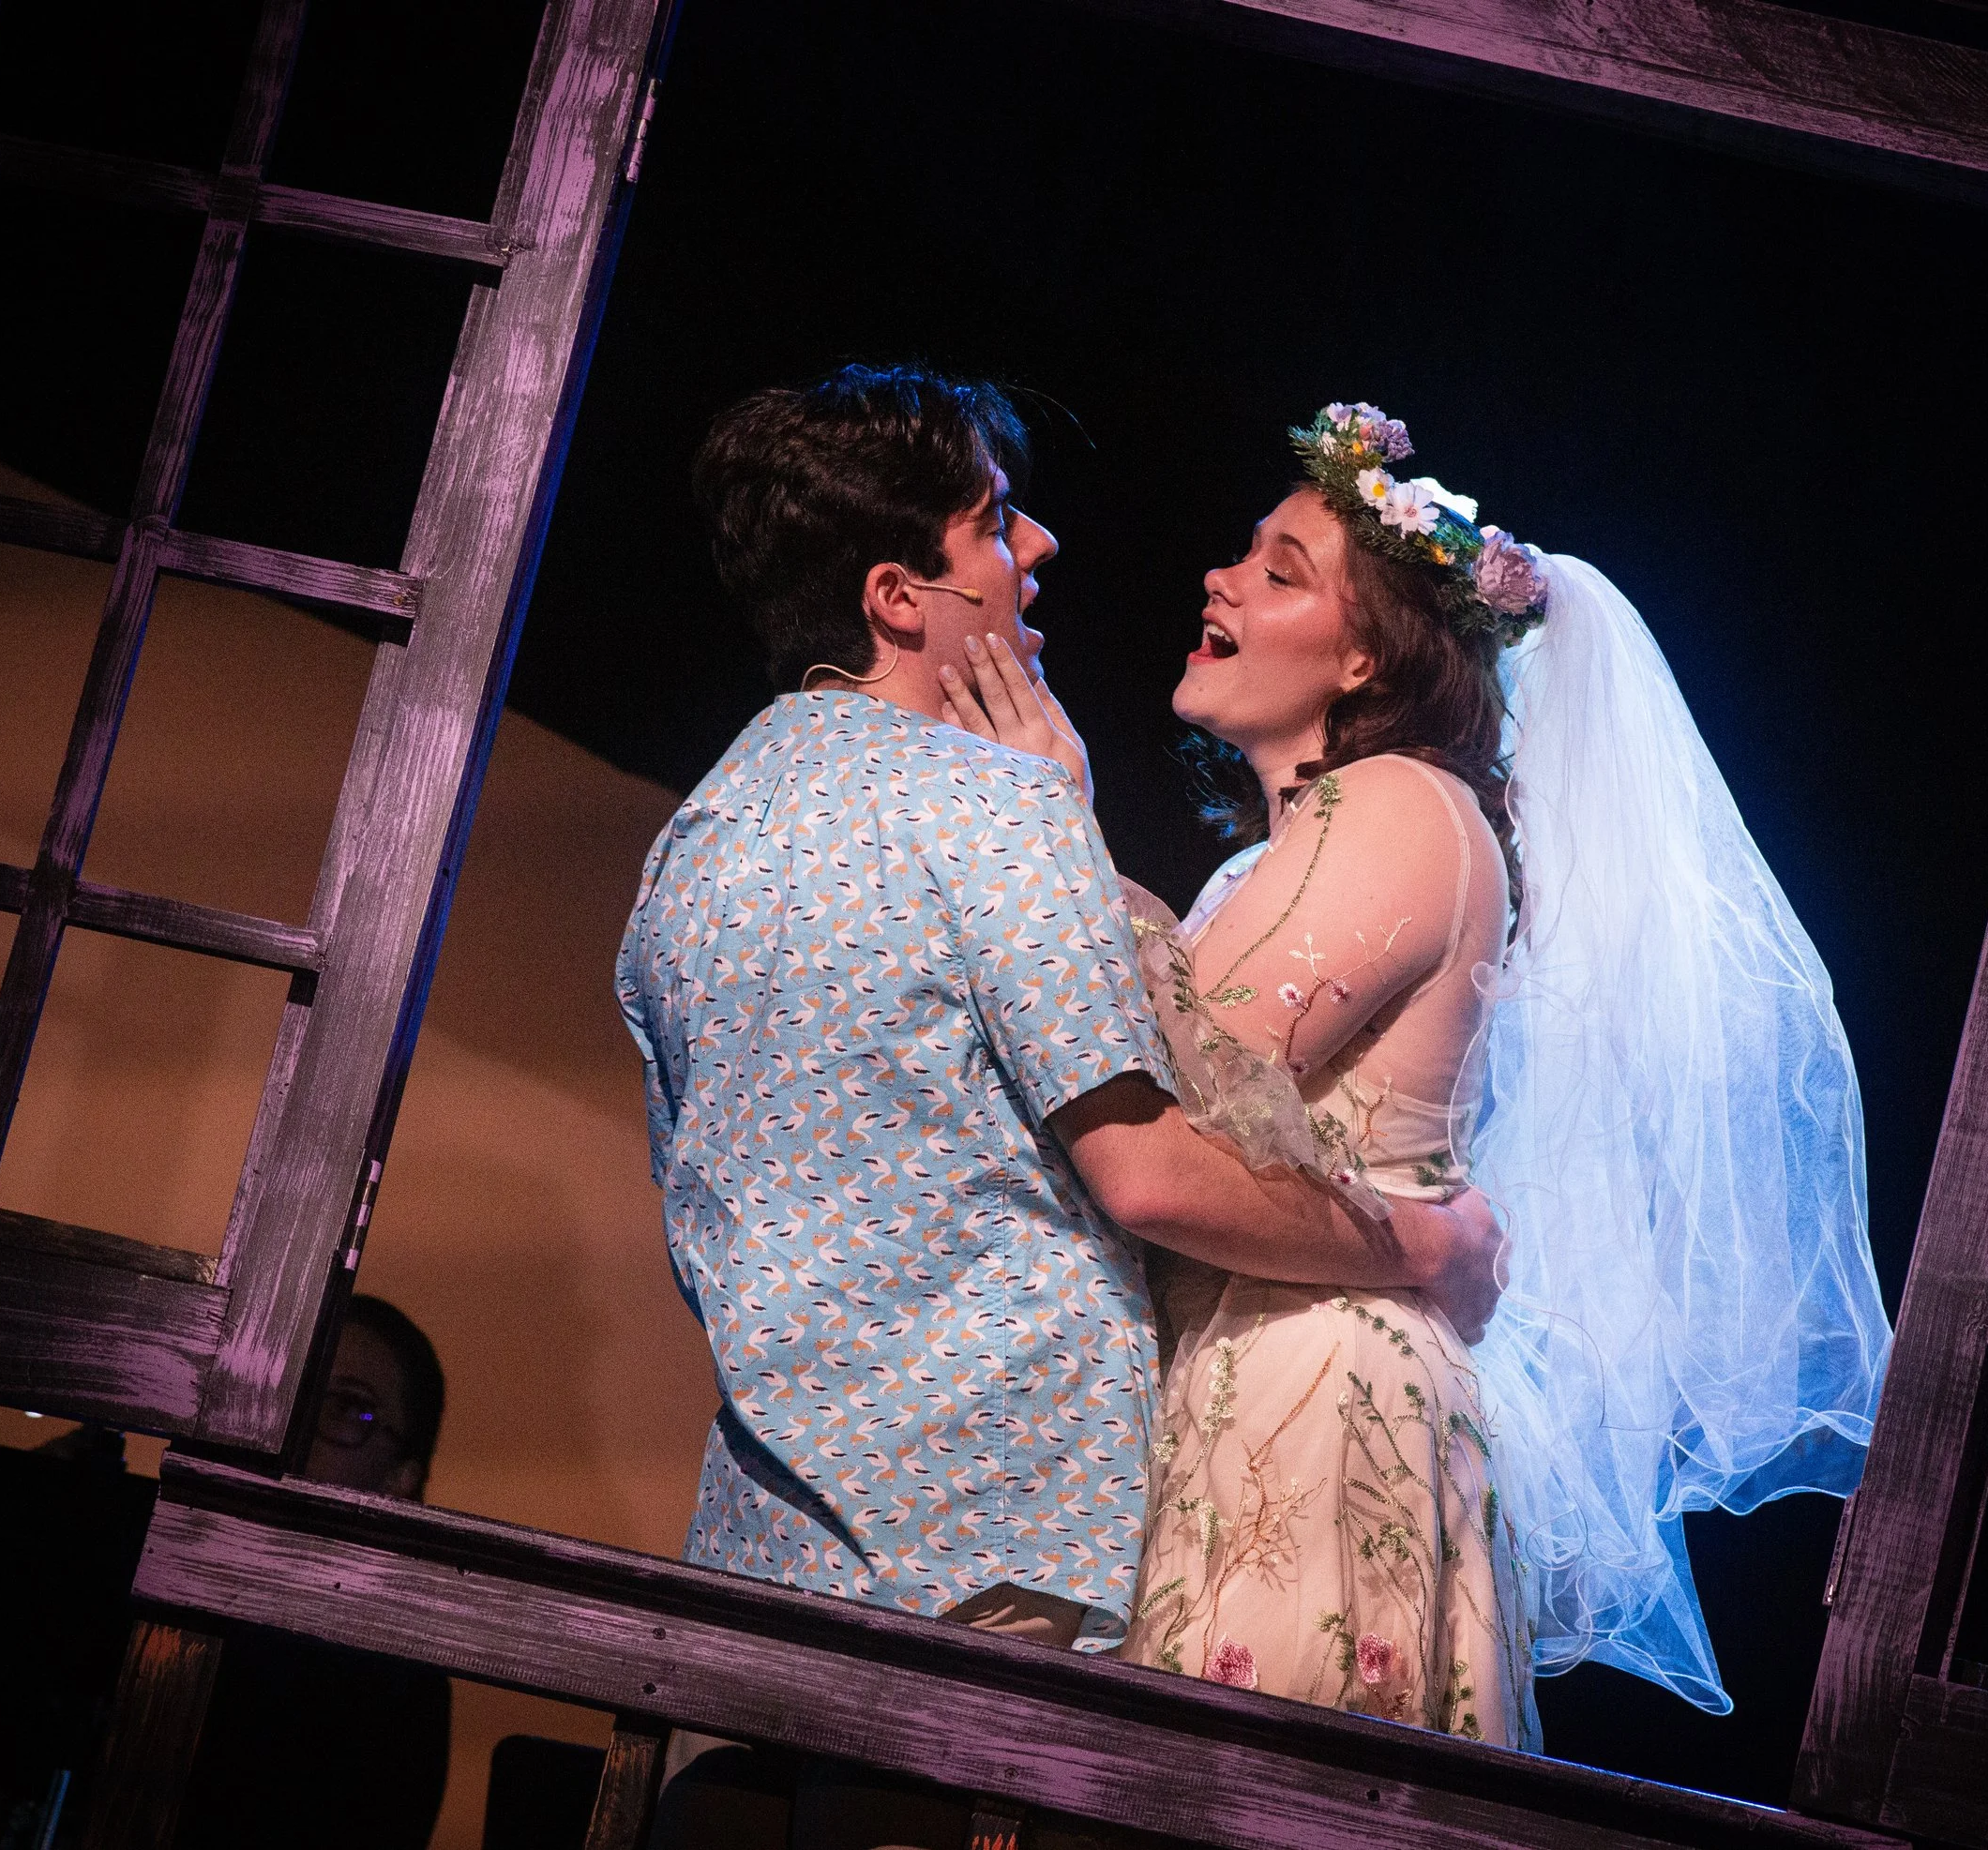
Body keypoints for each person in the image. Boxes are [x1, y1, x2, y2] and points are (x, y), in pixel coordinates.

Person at [617, 369, 1505, 1843]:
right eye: (994, 522)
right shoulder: (993, 804)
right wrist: (1424, 1247)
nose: (1039, 549)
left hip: (773, 1551)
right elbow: (1150, 1175)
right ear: (901, 597)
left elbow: (700, 1186)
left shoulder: (692, 840)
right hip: (997, 1555)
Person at [945, 400, 1891, 1740]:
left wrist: (1054, 823)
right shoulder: (1268, 860)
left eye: (1282, 572)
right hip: (1263, 1356)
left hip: (1320, 1385)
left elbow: (1192, 1080)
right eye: (1244, 553)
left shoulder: (1395, 804)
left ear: (1362, 660)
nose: (1221, 577)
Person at [173, 1293, 453, 1850]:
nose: (299, 1425)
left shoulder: (398, 1684)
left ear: (402, 1477)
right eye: (289, 1390)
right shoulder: (171, 1561)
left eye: (348, 1408)